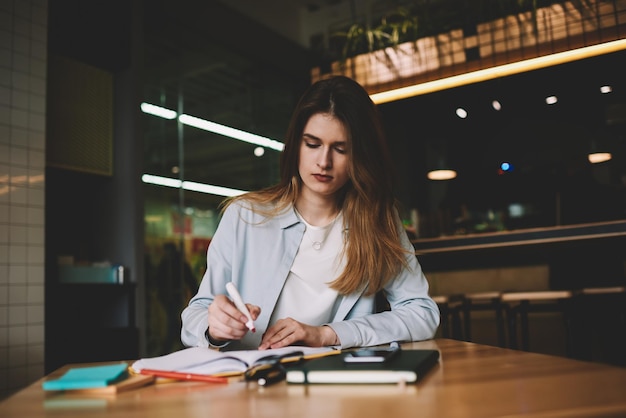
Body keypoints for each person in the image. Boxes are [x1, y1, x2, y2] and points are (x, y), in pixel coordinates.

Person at [181, 75, 440, 351]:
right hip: (253, 383)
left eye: (340, 149)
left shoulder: (377, 222)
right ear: (296, 145)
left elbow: (422, 313)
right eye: (312, 144)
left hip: (336, 385)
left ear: (360, 156)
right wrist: (214, 330)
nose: (323, 162)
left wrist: (329, 334)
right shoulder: (244, 217)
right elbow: (195, 316)